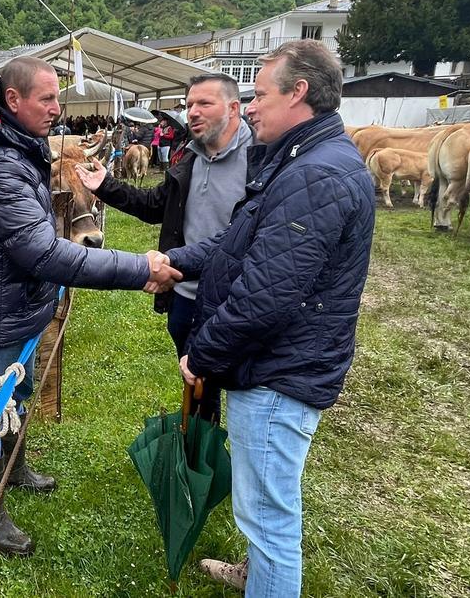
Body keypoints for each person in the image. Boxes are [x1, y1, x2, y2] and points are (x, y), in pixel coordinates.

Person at [161, 41, 375, 594]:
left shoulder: (316, 176)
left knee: (269, 518)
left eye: (258, 95)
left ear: (298, 93)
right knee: (266, 506)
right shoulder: (302, 162)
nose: (249, 108)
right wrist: (170, 263)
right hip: (279, 364)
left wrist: (202, 355)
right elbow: (240, 246)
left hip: (280, 373)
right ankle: (259, 573)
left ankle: (269, 572)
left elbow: (265, 297)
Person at [0, 56, 180, 557]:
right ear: (13, 101)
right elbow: (41, 251)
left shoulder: (16, 145)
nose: (58, 108)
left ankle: (14, 470)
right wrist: (140, 268)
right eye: (48, 98)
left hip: (17, 302)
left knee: (17, 393)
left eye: (58, 97)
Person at [75, 73, 252, 393]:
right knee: (196, 392)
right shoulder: (189, 155)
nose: (193, 111)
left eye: (205, 103)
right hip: (184, 295)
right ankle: (197, 438)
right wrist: (106, 186)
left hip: (235, 301)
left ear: (234, 108)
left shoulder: (260, 160)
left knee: (243, 393)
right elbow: (157, 205)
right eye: (190, 104)